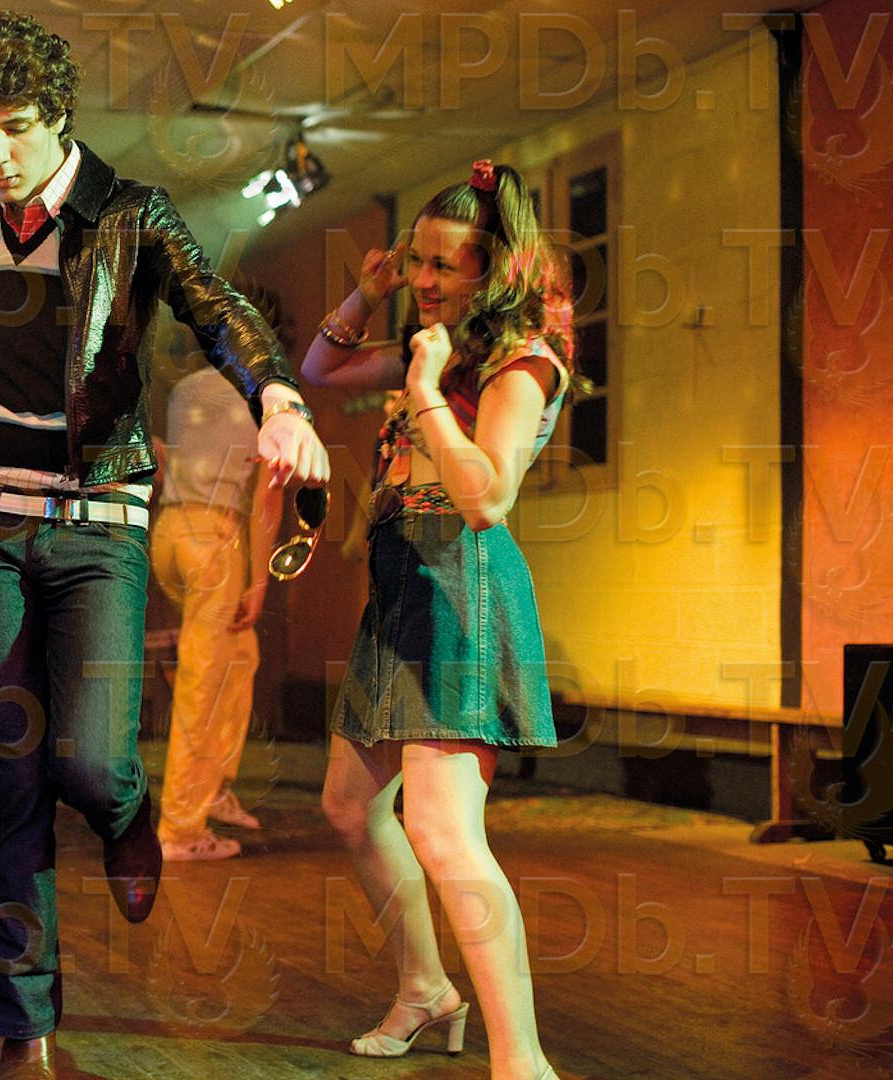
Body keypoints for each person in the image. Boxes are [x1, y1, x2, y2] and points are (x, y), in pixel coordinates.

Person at [0, 15, 329, 1076]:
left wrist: (281, 400)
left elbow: (217, 309)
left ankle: (129, 809)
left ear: (58, 117)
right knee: (14, 773)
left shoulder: (131, 214)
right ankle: (26, 1028)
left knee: (90, 761)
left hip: (98, 523)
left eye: (15, 128)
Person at [301, 159, 571, 1080]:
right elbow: (321, 368)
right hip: (403, 581)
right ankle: (425, 988)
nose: (422, 278)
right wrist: (366, 292)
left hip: (461, 580)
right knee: (350, 806)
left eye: (442, 266)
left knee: (445, 831)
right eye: (415, 259)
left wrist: (423, 392)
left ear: (492, 270)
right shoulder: (439, 343)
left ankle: (523, 1059)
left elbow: (487, 497)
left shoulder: (519, 365)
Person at [149, 357, 284, 861]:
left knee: (239, 656)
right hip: (213, 543)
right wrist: (259, 579)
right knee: (202, 687)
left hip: (169, 534)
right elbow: (267, 496)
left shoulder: (185, 387)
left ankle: (215, 788)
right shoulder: (268, 396)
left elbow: (162, 456)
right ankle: (180, 831)